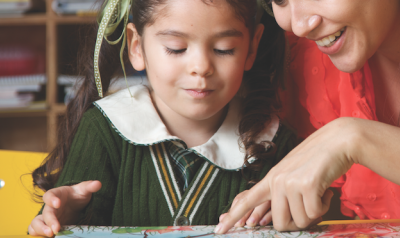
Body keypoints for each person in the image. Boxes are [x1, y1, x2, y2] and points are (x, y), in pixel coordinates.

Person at [27, 0, 298, 237]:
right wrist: (69, 218)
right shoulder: (104, 128)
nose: (201, 67)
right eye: (176, 48)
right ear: (137, 46)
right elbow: (56, 222)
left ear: (252, 48)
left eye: (224, 49)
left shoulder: (275, 143)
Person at [215, 0, 400, 234]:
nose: (299, 26)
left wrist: (354, 138)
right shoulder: (315, 65)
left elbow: (346, 141)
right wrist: (291, 197)